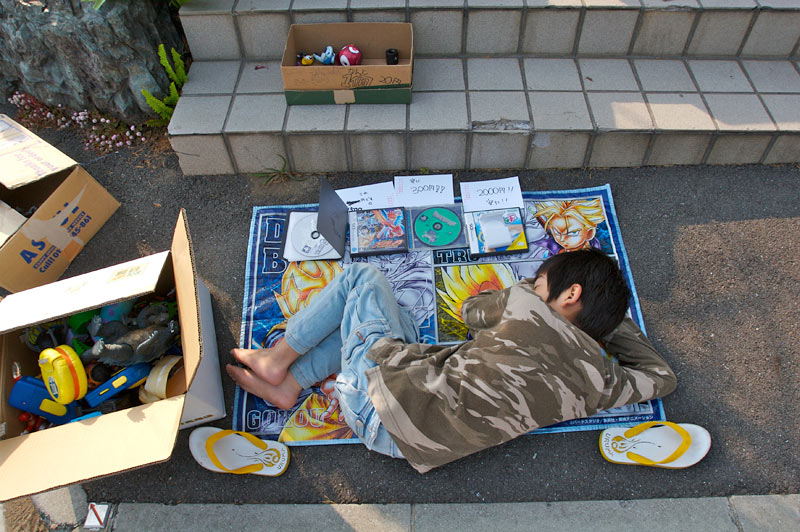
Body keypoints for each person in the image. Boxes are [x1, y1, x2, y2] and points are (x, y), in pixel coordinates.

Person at [227, 249, 677, 473]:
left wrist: (528, 292)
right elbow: (662, 377)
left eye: (541, 281)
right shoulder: (602, 382)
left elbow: (470, 312)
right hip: (408, 446)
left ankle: (277, 359)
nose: (534, 286)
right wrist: (606, 324)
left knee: (362, 279)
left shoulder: (525, 305)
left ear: (570, 293)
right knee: (398, 319)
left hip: (377, 399)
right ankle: (292, 385)